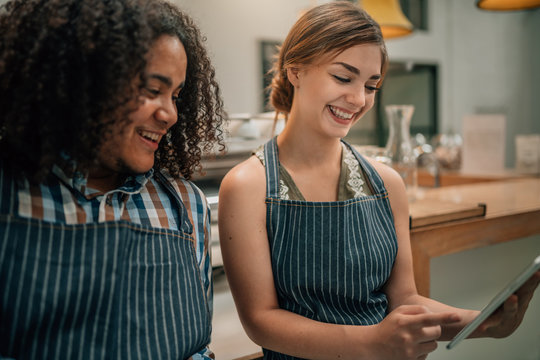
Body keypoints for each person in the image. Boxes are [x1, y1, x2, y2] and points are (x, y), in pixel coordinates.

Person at [218, 2, 540, 359]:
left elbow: (405, 302)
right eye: (343, 77)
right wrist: (372, 343)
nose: (358, 99)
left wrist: (480, 322)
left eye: (371, 85)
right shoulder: (247, 186)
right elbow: (261, 320)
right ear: (295, 69)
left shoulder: (387, 183)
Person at [0, 0, 225, 358]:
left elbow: (198, 349)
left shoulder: (184, 204)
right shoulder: (10, 193)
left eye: (176, 95)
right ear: (78, 82)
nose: (170, 114)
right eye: (153, 90)